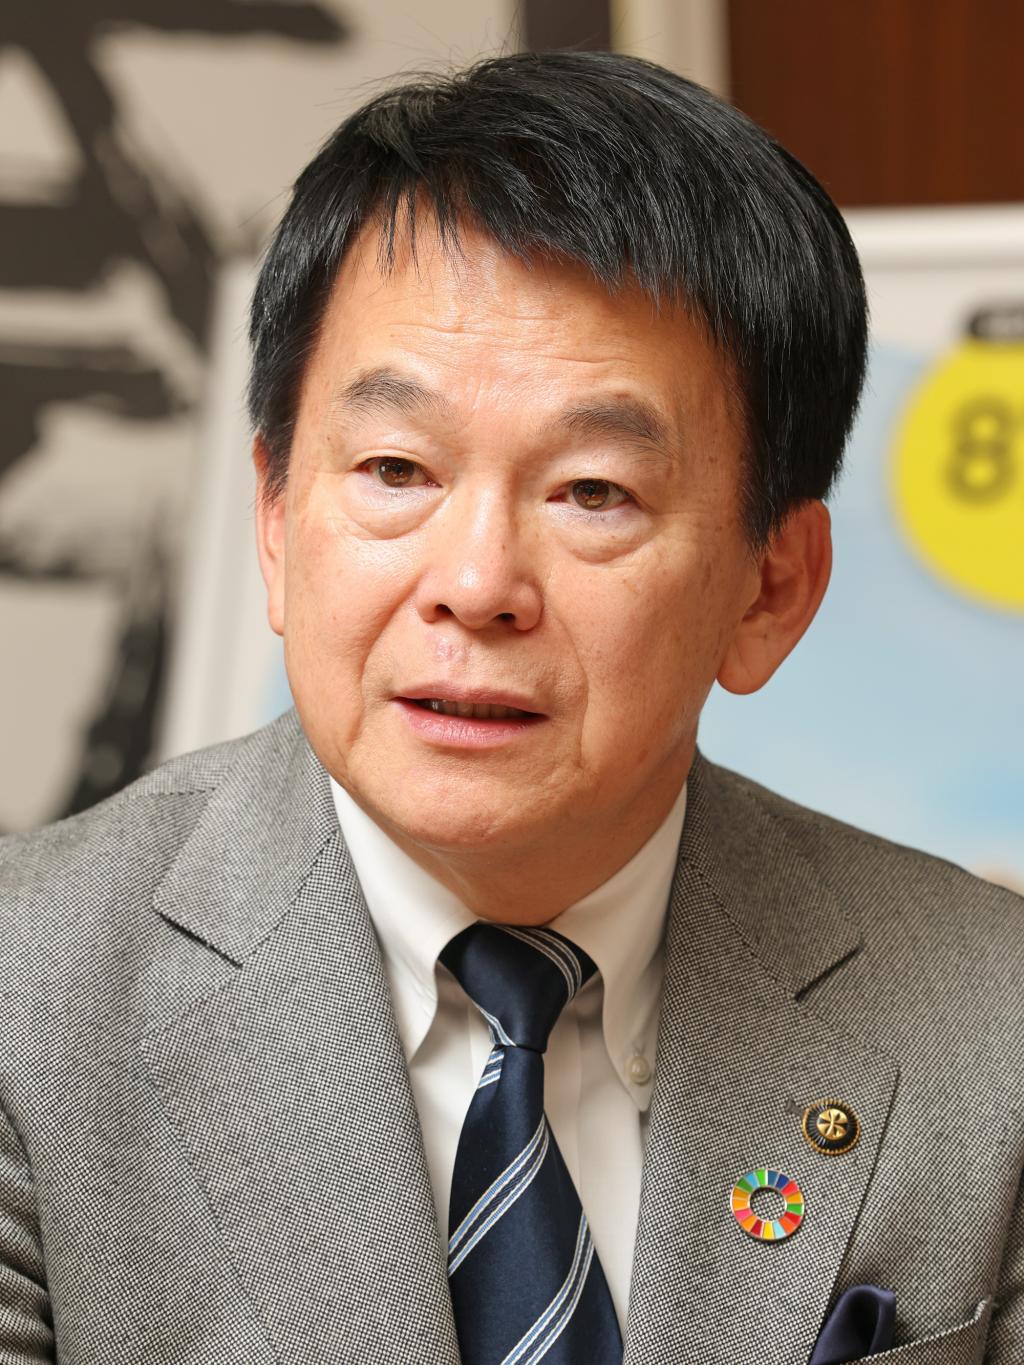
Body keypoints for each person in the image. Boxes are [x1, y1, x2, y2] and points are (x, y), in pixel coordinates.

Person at [1, 49, 1021, 1365]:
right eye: (395, 469)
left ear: (771, 587)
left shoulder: (986, 1029)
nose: (477, 585)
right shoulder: (28, 1002)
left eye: (593, 491)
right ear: (275, 519)